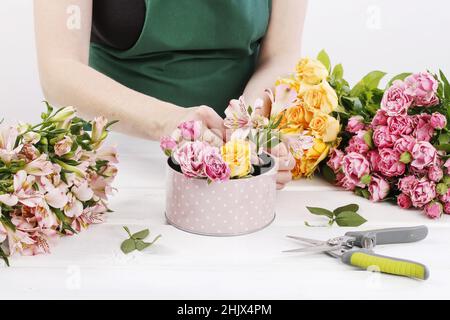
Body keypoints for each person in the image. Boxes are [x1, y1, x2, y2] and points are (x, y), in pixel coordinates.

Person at [34, 0, 308, 189]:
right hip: (113, 160)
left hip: (230, 162)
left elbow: (281, 54)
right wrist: (170, 123)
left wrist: (250, 126)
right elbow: (59, 69)